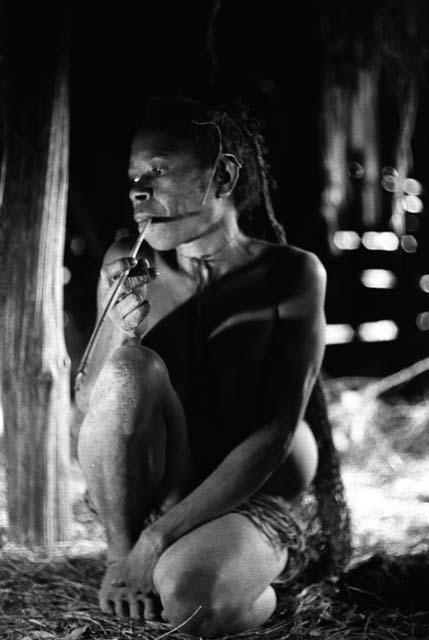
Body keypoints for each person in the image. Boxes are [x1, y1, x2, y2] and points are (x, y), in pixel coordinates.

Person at [75, 96, 329, 637]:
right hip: (161, 492)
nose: (139, 190)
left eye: (159, 170)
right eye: (134, 177)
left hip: (249, 497)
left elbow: (276, 430)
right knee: (128, 368)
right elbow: (93, 410)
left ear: (224, 176)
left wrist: (159, 540)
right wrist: (122, 325)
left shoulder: (291, 274)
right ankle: (124, 563)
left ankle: (254, 588)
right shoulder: (128, 267)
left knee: (187, 604)